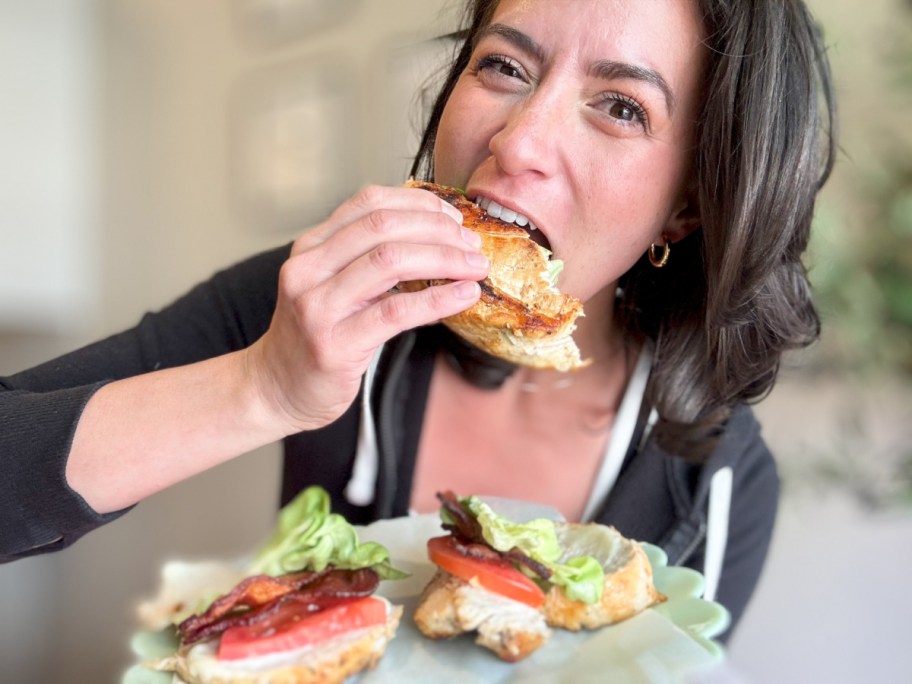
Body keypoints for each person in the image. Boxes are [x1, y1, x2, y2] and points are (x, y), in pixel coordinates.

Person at [0, 0, 834, 641]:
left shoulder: (719, 486)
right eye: (505, 66)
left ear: (687, 207)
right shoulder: (320, 297)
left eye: (621, 107)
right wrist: (264, 386)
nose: (518, 142)